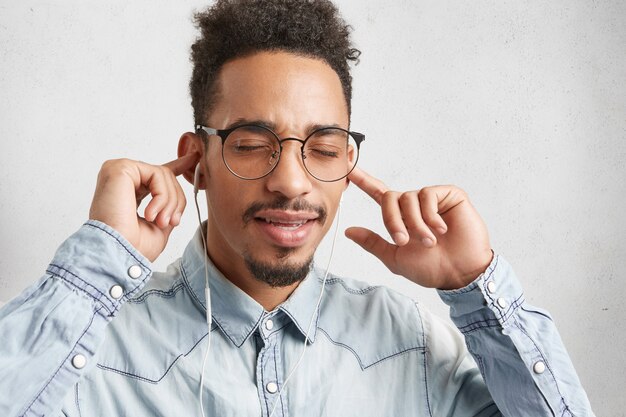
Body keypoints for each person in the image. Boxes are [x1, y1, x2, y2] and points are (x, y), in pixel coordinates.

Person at [0, 0, 595, 416]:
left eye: (325, 148)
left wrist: (476, 286)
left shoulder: (408, 342)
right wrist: (97, 262)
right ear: (197, 161)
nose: (290, 182)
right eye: (253, 145)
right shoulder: (92, 344)